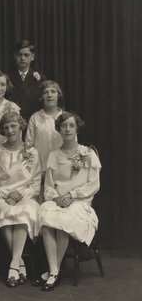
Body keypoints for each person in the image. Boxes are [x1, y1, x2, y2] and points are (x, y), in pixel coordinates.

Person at [36, 112, 101, 291]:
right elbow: (48, 186)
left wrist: (71, 195)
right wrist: (56, 198)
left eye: (71, 125)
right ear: (59, 129)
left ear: (77, 128)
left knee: (63, 222)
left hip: (80, 202)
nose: (67, 129)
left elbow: (93, 185)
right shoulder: (54, 155)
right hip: (58, 201)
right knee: (46, 218)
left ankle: (52, 273)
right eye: (63, 125)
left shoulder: (87, 154)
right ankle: (54, 271)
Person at [0, 112, 41, 288]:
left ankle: (14, 264)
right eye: (6, 127)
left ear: (21, 127)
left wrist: (20, 195)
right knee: (4, 210)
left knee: (23, 211)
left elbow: (36, 184)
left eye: (13, 126)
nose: (10, 130)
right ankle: (19, 264)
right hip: (3, 197)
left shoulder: (32, 152)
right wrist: (5, 195)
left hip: (26, 196)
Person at [25, 80, 64, 175]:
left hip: (62, 170)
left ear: (58, 95)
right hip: (40, 171)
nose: (49, 95)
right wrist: (36, 169)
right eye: (46, 92)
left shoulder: (65, 118)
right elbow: (28, 146)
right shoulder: (35, 118)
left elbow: (72, 145)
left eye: (53, 91)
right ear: (42, 97)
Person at [7, 40, 46, 121]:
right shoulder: (7, 77)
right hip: (13, 121)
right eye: (19, 55)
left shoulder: (41, 79)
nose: (22, 58)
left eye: (26, 55)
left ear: (33, 57)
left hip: (33, 120)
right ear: (14, 56)